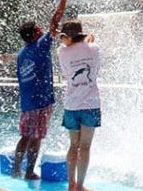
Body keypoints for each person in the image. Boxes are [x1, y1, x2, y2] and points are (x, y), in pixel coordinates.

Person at [12, 0, 69, 180]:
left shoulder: (21, 54)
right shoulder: (41, 45)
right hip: (42, 102)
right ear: (36, 32)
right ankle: (27, 172)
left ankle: (17, 170)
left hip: (28, 103)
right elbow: (55, 21)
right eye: (39, 28)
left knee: (27, 136)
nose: (42, 29)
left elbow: (20, 79)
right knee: (35, 138)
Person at [58, 20, 101, 191]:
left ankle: (71, 185)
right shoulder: (95, 48)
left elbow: (66, 73)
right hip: (90, 105)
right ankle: (80, 186)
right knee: (85, 147)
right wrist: (89, 44)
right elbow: (96, 69)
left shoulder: (61, 51)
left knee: (73, 145)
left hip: (71, 106)